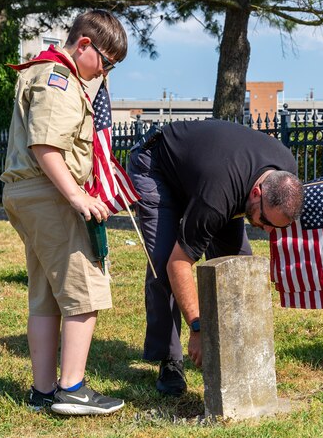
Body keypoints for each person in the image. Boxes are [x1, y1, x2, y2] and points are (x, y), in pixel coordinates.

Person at [0, 10, 127, 415]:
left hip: (28, 192)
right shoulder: (59, 79)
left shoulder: (44, 72)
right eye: (106, 63)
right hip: (50, 194)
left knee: (46, 297)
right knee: (83, 293)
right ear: (85, 45)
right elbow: (46, 146)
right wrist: (77, 197)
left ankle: (42, 391)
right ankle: (72, 388)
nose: (105, 74)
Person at [128, 119, 304, 396]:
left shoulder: (285, 173)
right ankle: (170, 360)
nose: (268, 230)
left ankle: (235, 347)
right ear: (257, 193)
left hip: (211, 175)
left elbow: (250, 214)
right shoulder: (217, 196)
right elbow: (179, 263)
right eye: (266, 220)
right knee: (164, 262)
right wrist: (198, 327)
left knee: (237, 264)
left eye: (277, 227)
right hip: (156, 167)